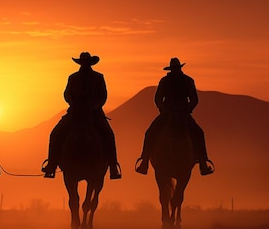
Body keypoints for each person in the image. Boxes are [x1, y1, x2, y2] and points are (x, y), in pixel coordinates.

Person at [41, 52, 122, 180]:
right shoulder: (73, 78)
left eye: (86, 63)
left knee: (108, 134)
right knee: (55, 133)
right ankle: (52, 164)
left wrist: (93, 107)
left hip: (94, 114)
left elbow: (103, 96)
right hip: (75, 113)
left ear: (90, 64)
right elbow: (67, 94)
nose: (85, 65)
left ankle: (113, 166)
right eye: (83, 63)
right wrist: (75, 105)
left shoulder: (98, 77)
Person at [135, 57, 214, 176]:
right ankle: (145, 161)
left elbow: (194, 99)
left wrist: (188, 109)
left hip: (183, 113)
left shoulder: (188, 81)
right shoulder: (165, 81)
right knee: (150, 132)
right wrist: (163, 109)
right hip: (168, 113)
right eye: (173, 69)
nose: (175, 70)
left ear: (179, 68)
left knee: (198, 133)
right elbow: (158, 98)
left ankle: (203, 163)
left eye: (176, 68)